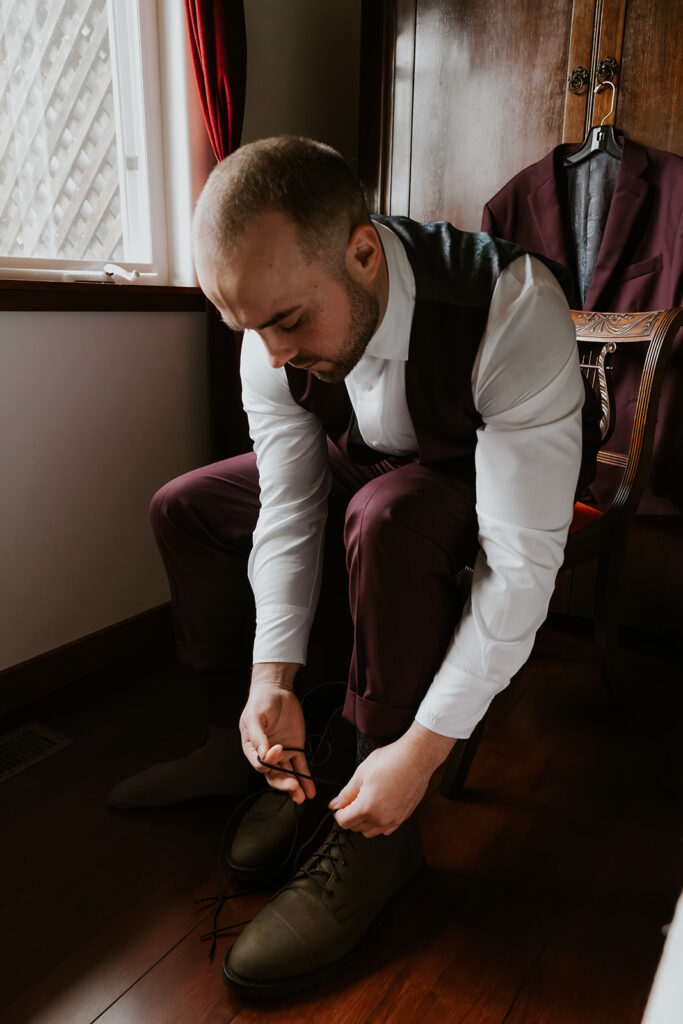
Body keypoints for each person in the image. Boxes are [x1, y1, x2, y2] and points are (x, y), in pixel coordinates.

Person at [109, 136, 592, 997]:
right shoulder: (271, 323)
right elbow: (290, 506)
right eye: (247, 328)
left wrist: (422, 751)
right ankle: (245, 746)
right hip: (363, 457)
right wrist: (270, 676)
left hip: (469, 478)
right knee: (188, 505)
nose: (271, 355)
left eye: (288, 322)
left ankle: (376, 836)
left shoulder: (510, 306)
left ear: (363, 252)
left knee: (388, 515)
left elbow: (521, 565)